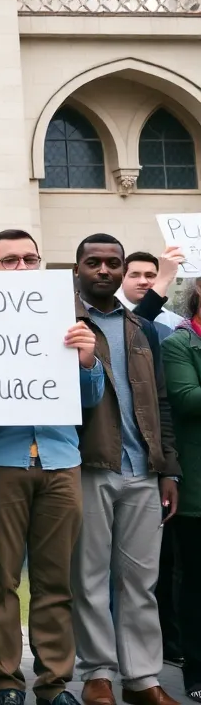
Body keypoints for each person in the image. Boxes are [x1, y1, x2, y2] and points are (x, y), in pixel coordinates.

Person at [0, 230, 104, 705]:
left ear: (41, 264)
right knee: (1, 577)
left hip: (61, 459)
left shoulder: (67, 320)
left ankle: (54, 685)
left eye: (30, 259)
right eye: (9, 260)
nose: (21, 267)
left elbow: (89, 401)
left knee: (56, 580)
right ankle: (6, 683)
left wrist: (87, 359)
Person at [71, 234, 181, 705]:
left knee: (141, 582)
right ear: (77, 268)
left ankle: (142, 679)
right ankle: (97, 672)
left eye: (112, 263)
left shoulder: (142, 329)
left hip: (143, 471)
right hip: (90, 465)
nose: (103, 270)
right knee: (90, 577)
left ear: (122, 270)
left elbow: (160, 403)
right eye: (93, 262)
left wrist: (168, 470)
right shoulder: (65, 322)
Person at [160, 284, 201, 704]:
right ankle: (197, 670)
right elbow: (187, 399)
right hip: (197, 485)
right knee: (195, 584)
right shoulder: (180, 343)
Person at [118, 251, 185, 342]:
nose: (143, 282)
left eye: (150, 276)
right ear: (122, 279)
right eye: (134, 275)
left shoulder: (177, 323)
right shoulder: (105, 315)